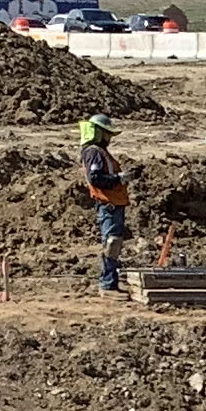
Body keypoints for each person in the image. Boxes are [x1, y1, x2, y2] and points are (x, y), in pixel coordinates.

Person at [77, 115, 130, 292]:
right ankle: (108, 284)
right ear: (98, 133)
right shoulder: (94, 152)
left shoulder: (99, 152)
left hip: (113, 203)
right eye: (107, 134)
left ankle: (110, 282)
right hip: (109, 204)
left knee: (113, 243)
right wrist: (119, 179)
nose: (109, 138)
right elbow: (96, 178)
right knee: (111, 243)